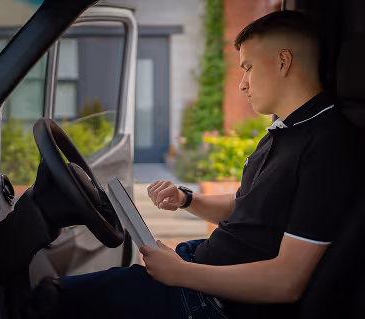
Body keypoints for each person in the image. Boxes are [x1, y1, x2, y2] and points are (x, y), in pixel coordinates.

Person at [23, 10, 363, 319]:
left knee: (51, 302)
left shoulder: (328, 145)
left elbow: (287, 281)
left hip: (211, 304)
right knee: (58, 294)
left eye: (247, 67)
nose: (242, 83)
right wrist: (187, 200)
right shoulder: (284, 132)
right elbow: (247, 209)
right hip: (198, 273)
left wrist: (181, 274)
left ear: (283, 61)